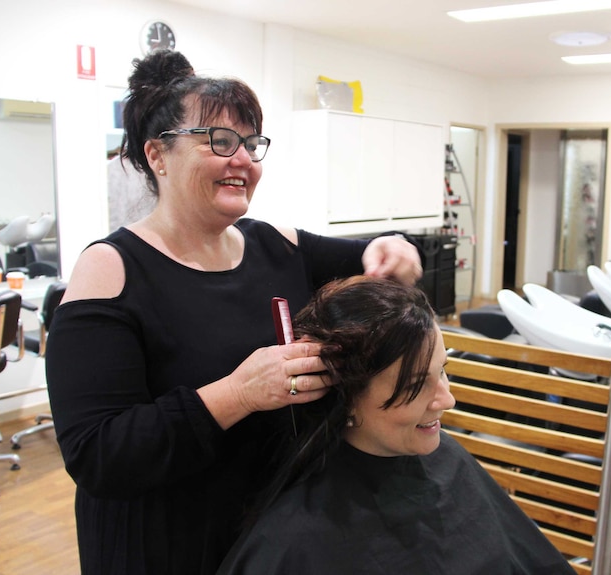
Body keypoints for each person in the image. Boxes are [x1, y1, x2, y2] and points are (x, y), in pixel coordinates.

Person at [45, 50, 422, 575]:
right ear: (158, 155)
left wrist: (393, 246)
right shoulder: (111, 268)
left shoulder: (275, 244)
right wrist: (238, 393)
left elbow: (372, 252)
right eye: (220, 141)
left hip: (268, 535)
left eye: (251, 143)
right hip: (164, 546)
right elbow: (98, 456)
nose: (242, 158)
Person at [217, 276, 577, 575]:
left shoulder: (446, 457)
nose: (447, 400)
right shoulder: (294, 542)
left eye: (443, 371)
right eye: (417, 385)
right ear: (347, 399)